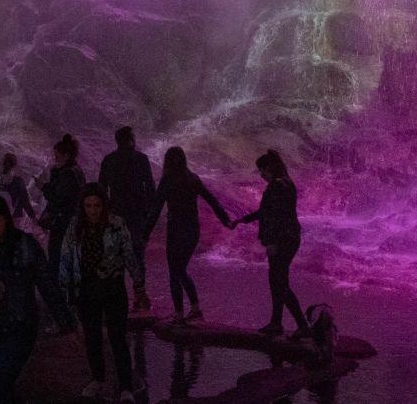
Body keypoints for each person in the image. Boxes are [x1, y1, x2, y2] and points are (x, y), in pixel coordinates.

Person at [0, 194, 75, 404]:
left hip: (20, 326)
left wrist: (68, 324)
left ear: (6, 220)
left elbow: (48, 285)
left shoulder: (25, 246)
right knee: (1, 386)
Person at [59, 184, 146, 403]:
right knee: (92, 336)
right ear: (83, 206)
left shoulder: (116, 224)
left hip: (113, 286)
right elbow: (66, 257)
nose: (93, 210)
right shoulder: (75, 225)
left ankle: (125, 386)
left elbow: (129, 255)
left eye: (97, 205)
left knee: (118, 337)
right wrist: (65, 289)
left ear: (104, 205)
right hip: (87, 287)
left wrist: (138, 286)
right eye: (88, 206)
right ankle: (98, 379)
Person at [141, 146, 233, 324]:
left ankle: (179, 314)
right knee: (180, 270)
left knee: (175, 272)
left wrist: (145, 235)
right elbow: (212, 200)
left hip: (176, 229)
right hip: (192, 230)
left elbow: (156, 208)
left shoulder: (168, 179)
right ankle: (195, 309)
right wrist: (225, 220)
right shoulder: (193, 178)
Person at [232, 150, 310, 338]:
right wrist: (242, 220)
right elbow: (267, 212)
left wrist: (272, 242)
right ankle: (276, 323)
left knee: (280, 283)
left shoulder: (276, 186)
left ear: (269, 168)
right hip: (291, 237)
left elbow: (273, 217)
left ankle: (301, 325)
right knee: (277, 282)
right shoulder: (287, 183)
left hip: (282, 240)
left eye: (261, 170)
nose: (261, 175)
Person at [98, 126, 155, 313]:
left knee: (115, 256)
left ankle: (118, 298)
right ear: (131, 139)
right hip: (137, 215)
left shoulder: (109, 161)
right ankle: (139, 297)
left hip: (116, 215)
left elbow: (101, 190)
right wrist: (149, 215)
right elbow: (151, 189)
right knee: (138, 256)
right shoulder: (141, 159)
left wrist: (103, 214)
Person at [40, 134, 85, 279]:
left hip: (63, 221)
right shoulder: (75, 170)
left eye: (57, 155)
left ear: (66, 155)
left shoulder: (68, 173)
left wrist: (43, 187)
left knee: (56, 255)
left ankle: (58, 291)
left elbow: (58, 199)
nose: (55, 159)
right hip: (73, 220)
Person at [0, 153, 37, 225]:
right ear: (15, 165)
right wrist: (33, 217)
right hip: (15, 217)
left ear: (3, 164)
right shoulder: (18, 181)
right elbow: (25, 201)